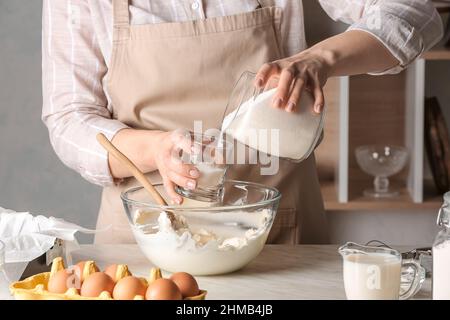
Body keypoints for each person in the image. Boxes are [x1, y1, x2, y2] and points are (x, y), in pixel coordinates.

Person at [42, 0, 443, 244]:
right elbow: (68, 118)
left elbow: (416, 14)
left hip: (279, 230)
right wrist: (156, 148)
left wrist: (324, 58)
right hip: (146, 239)